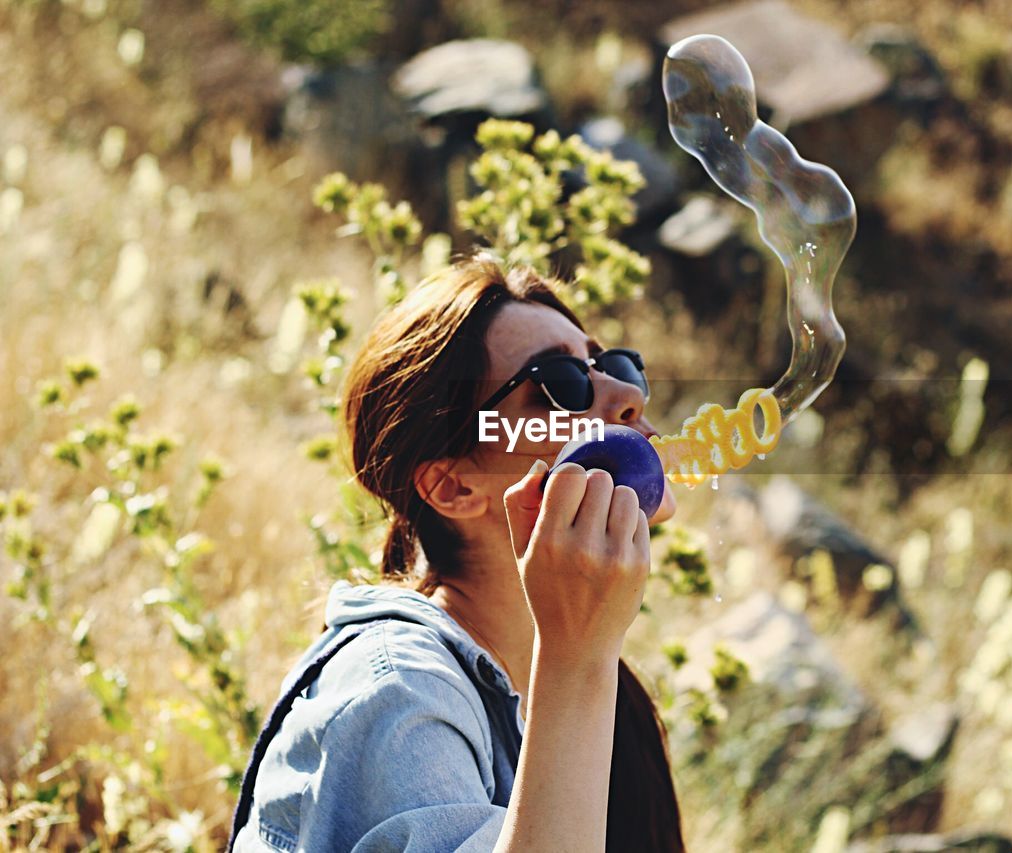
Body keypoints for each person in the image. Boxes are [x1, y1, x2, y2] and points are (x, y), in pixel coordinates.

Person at [227, 256, 686, 852]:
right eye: (561, 383)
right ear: (453, 486)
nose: (626, 394)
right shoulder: (397, 695)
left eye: (613, 364)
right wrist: (579, 657)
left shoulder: (589, 692)